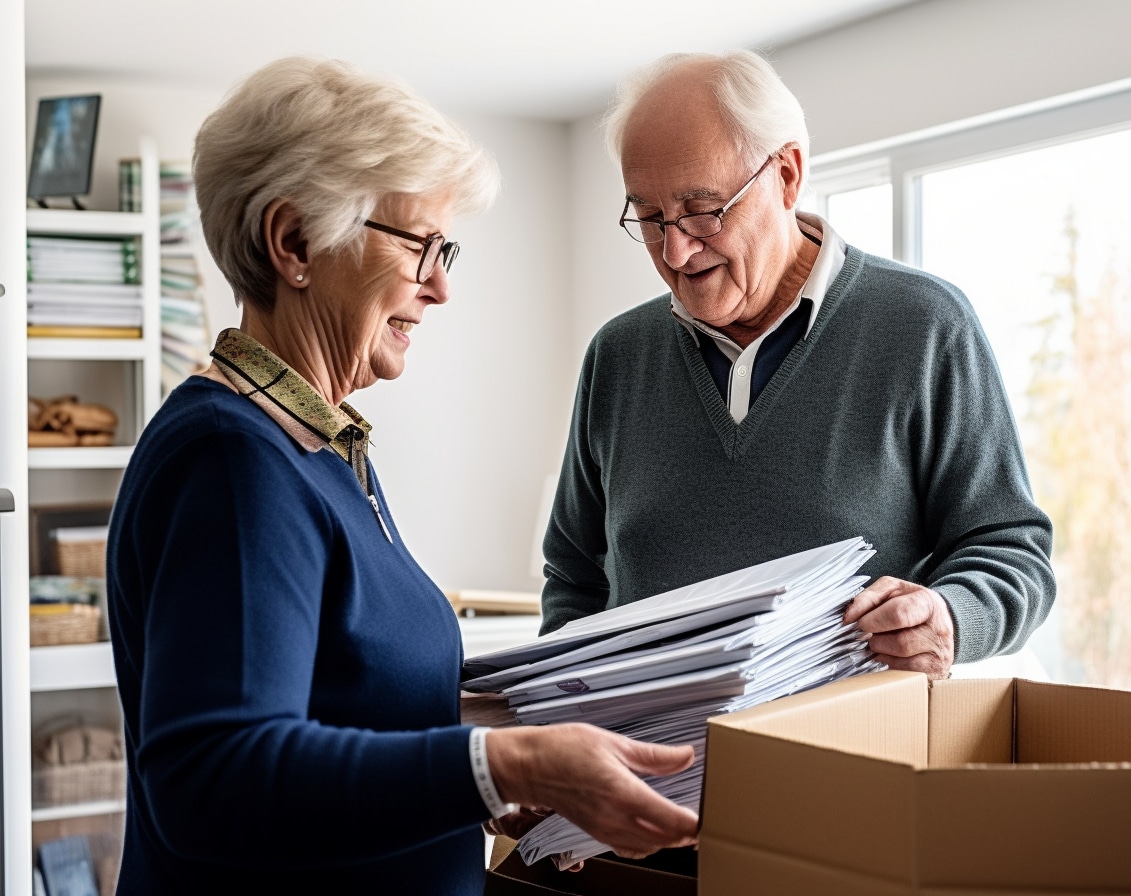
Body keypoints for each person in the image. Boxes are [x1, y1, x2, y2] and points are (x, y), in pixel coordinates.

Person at [105, 56, 696, 896]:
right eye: (420, 243)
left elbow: (343, 703)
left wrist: (489, 763)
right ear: (294, 242)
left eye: (443, 247)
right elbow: (215, 779)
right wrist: (503, 765)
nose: (442, 286)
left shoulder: (321, 446)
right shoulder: (231, 459)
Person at [541, 51, 1056, 677]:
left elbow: (1011, 550)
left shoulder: (924, 327)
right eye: (649, 217)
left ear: (786, 175)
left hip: (851, 759)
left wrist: (949, 616)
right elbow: (573, 577)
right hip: (652, 768)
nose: (675, 249)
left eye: (703, 209)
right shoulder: (618, 358)